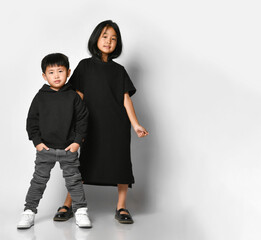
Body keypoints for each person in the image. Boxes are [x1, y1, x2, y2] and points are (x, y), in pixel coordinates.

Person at [54, 20, 149, 224]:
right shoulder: (84, 66)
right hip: (90, 124)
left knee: (121, 163)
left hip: (116, 125)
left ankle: (121, 207)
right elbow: (77, 96)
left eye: (113, 38)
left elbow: (126, 99)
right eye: (105, 36)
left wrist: (136, 124)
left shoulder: (119, 70)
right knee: (80, 164)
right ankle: (68, 204)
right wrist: (69, 121)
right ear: (96, 38)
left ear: (118, 44)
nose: (108, 41)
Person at [17, 53, 92, 229]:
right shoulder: (40, 96)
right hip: (46, 149)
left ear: (68, 72)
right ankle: (29, 211)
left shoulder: (73, 96)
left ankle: (81, 211)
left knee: (74, 181)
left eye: (60, 71)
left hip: (68, 149)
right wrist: (37, 142)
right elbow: (32, 120)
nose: (56, 75)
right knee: (38, 181)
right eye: (51, 72)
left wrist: (77, 142)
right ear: (44, 76)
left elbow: (83, 119)